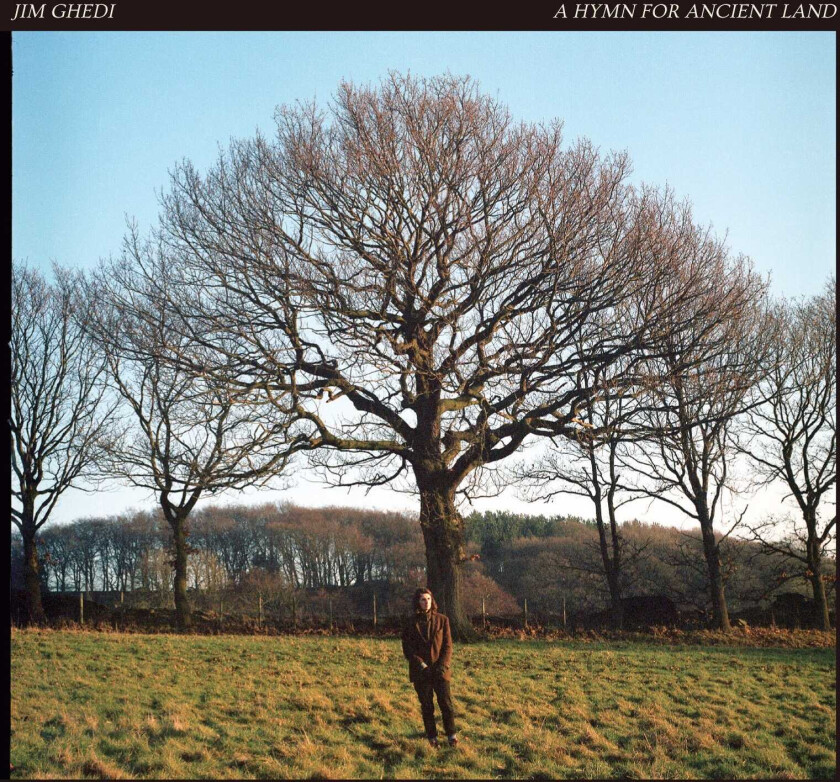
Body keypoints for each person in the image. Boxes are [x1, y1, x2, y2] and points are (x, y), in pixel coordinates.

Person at [401, 587, 459, 748]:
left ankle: (451, 736)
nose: (425, 602)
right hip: (421, 671)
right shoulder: (410, 623)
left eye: (428, 599)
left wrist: (443, 665)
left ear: (432, 601)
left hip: (440, 670)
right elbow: (407, 648)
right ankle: (432, 738)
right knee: (427, 706)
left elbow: (448, 645)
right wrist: (421, 664)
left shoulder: (442, 620)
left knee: (446, 704)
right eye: (422, 599)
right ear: (417, 602)